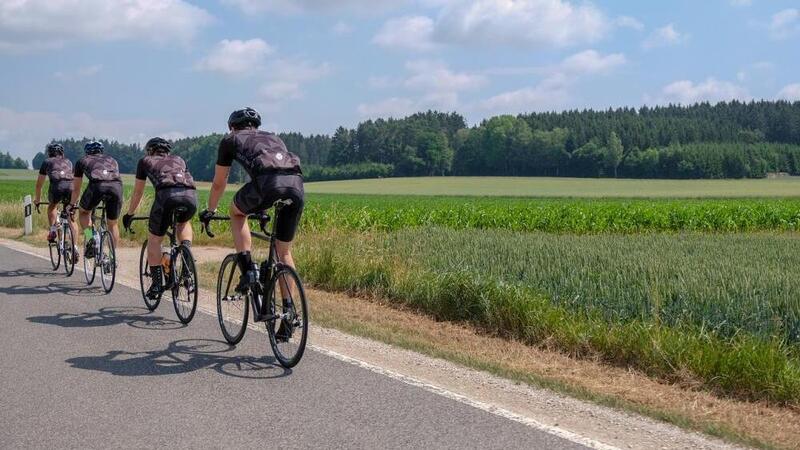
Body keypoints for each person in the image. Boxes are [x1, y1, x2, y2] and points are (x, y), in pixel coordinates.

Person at [199, 107, 304, 320]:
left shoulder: (230, 140)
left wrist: (210, 210)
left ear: (232, 127)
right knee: (283, 252)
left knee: (237, 213)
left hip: (267, 185)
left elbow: (219, 183)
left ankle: (248, 269)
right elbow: (274, 168)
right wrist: (264, 210)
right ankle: (289, 311)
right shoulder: (274, 138)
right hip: (296, 186)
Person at [122, 137, 197, 300]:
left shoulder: (145, 160)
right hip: (190, 196)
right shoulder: (179, 159)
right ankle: (186, 254)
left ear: (150, 151)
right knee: (184, 222)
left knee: (154, 241)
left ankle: (156, 285)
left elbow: (138, 192)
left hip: (166, 196)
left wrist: (130, 214)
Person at [70, 140, 123, 259]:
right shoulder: (112, 160)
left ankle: (91, 237)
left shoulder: (82, 161)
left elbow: (76, 189)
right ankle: (112, 258)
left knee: (84, 213)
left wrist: (72, 205)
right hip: (117, 187)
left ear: (87, 152)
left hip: (97, 186)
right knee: (113, 224)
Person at [33, 143, 78, 253]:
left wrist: (37, 200)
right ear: (62, 153)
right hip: (71, 188)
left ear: (49, 153)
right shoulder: (68, 162)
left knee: (52, 207)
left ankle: (53, 230)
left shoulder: (47, 162)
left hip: (56, 188)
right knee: (71, 217)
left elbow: (39, 184)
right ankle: (75, 247)